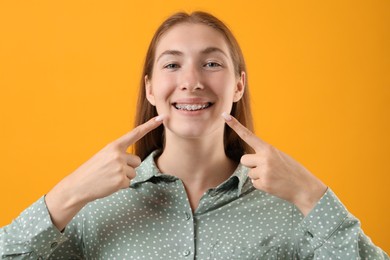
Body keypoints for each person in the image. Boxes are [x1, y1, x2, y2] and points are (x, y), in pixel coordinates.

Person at [0, 11, 388, 259]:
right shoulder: (95, 207)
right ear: (150, 89)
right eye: (173, 64)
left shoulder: (293, 209)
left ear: (238, 86)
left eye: (211, 63)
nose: (191, 82)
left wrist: (311, 195)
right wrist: (67, 195)